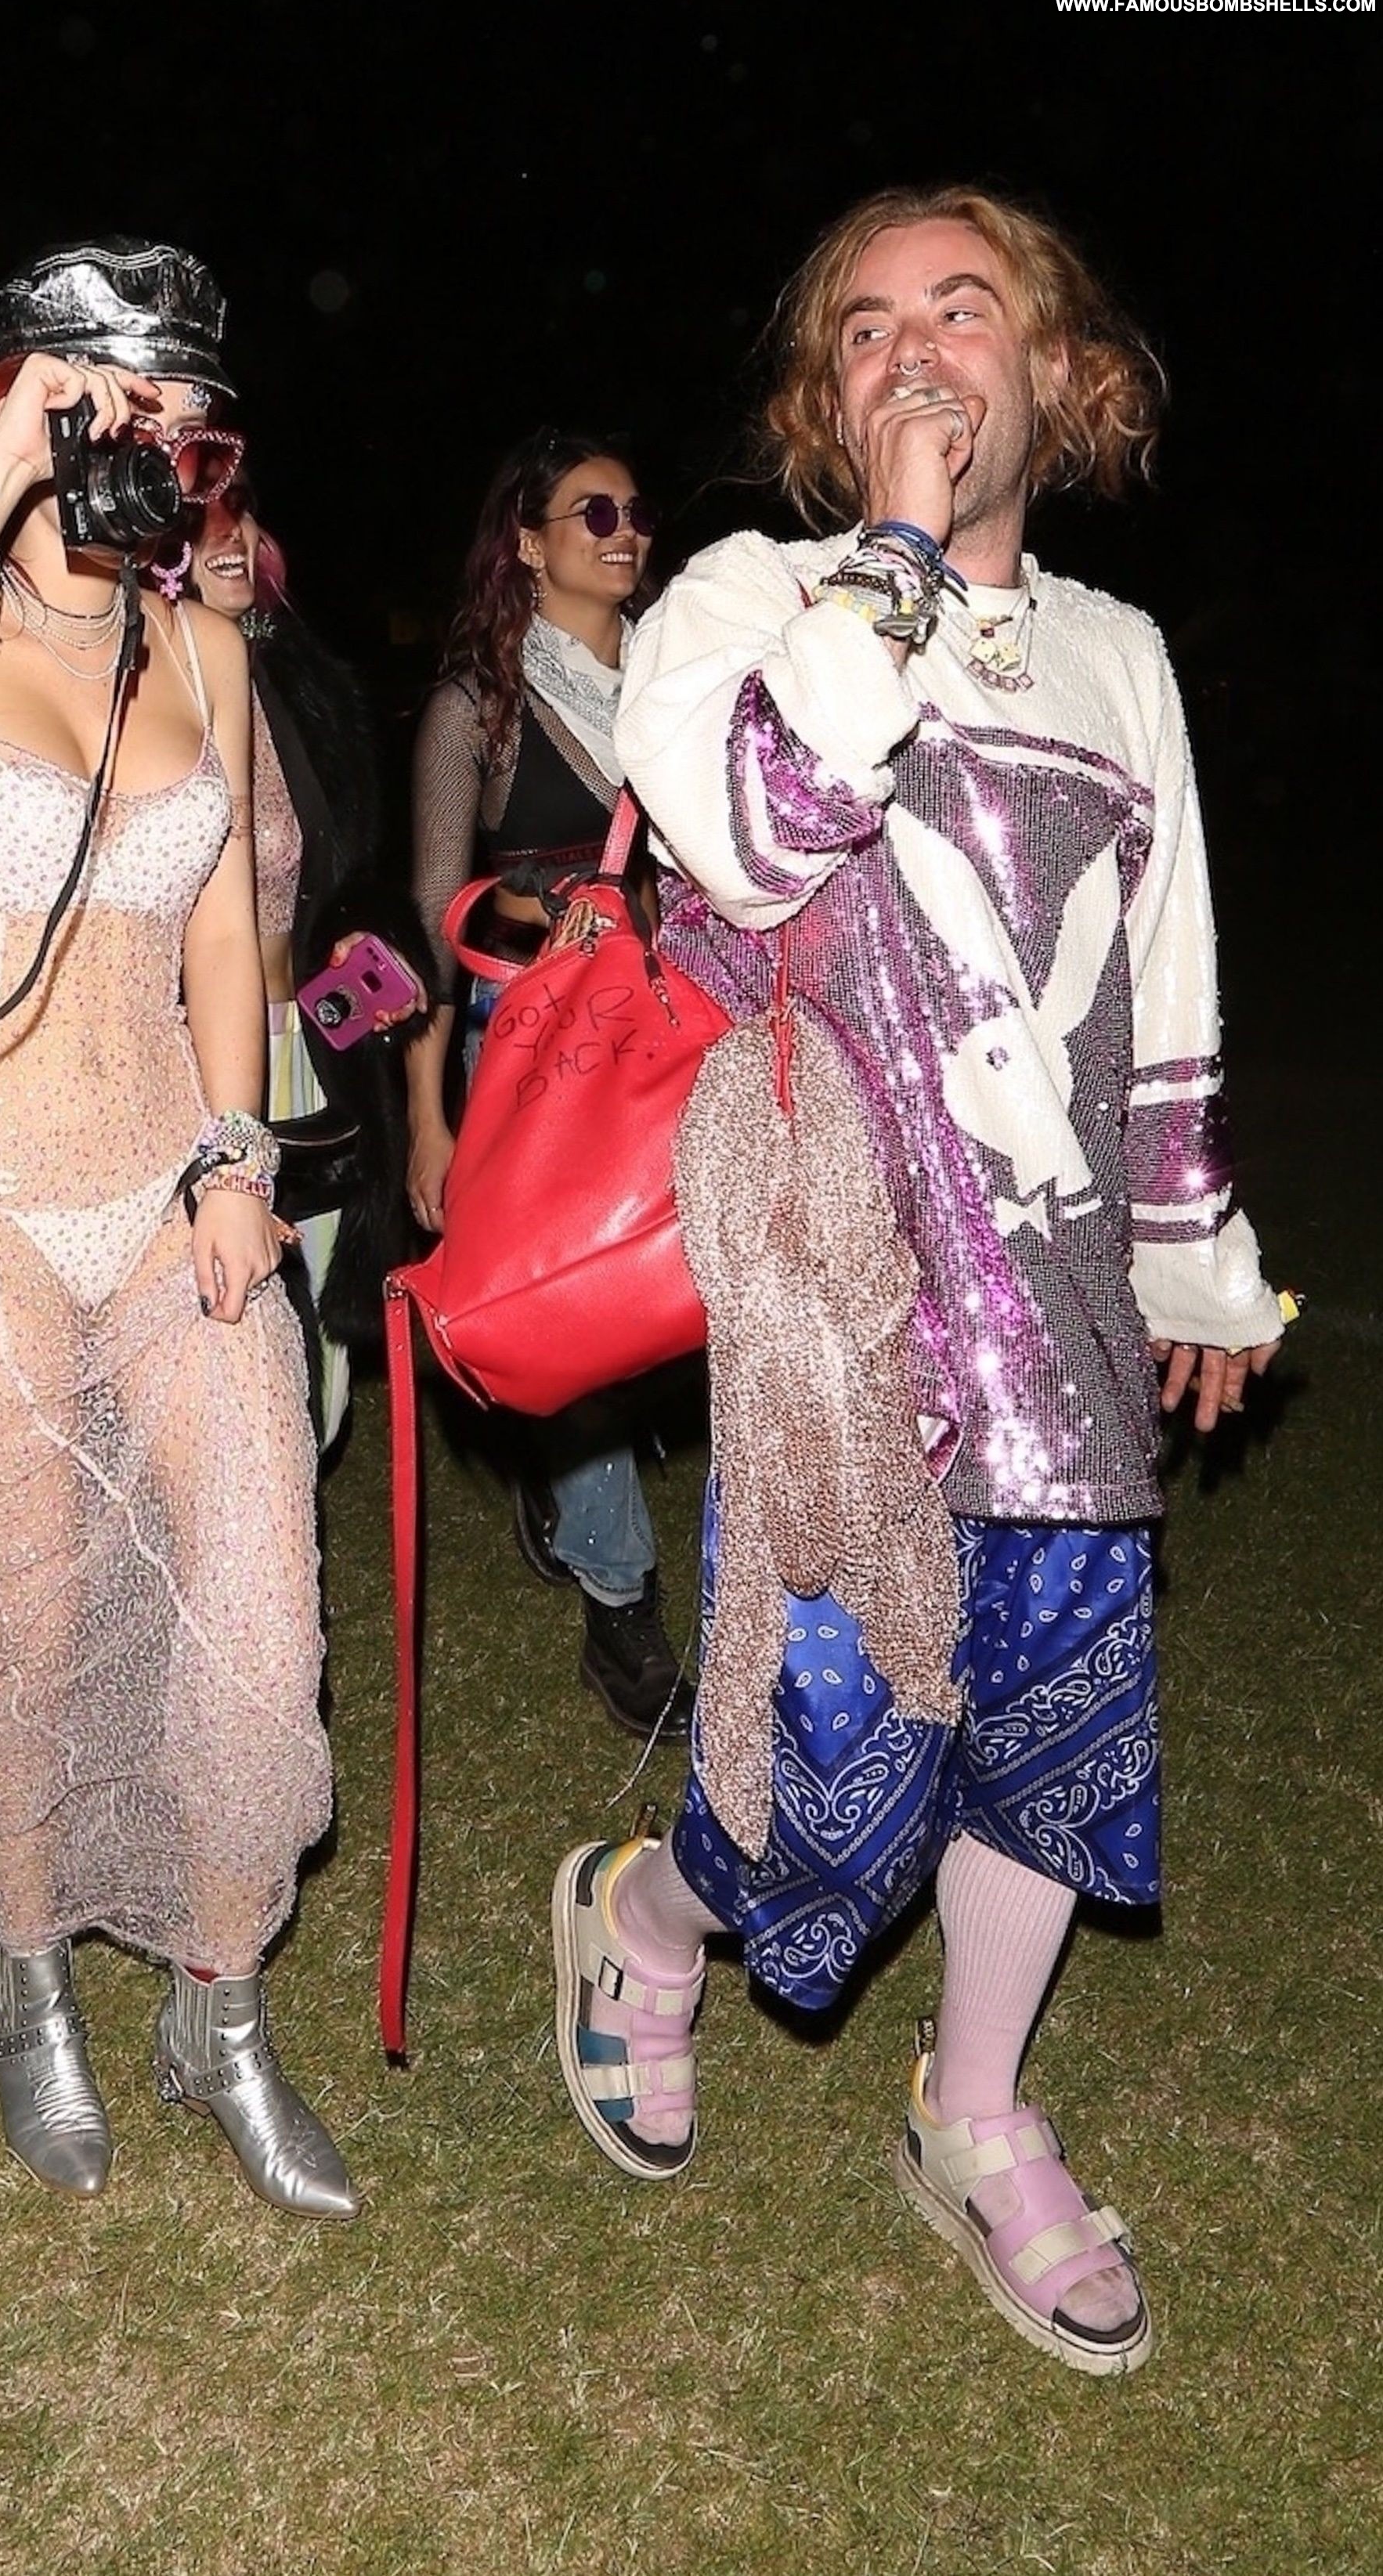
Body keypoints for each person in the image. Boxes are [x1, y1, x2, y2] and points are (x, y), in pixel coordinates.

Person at [551, 186, 1287, 2374]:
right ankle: (642, 1914)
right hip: (836, 1288)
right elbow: (759, 828)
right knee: (830, 1773)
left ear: (1059, 376)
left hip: (1059, 1305)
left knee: (1055, 1740)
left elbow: (1165, 973)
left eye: (968, 310)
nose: (917, 351)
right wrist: (886, 551)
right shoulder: (745, 595)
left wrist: (1196, 1258)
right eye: (867, 328)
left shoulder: (1117, 655)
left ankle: (975, 2113)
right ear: (826, 397)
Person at [0, 236, 359, 2218]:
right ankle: (28, 1973)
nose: (167, 461)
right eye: (129, 417)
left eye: (196, 434)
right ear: (21, 408)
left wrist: (235, 1156)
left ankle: (220, 2005)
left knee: (261, 1616)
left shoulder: (200, 648)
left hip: (169, 1191)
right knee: (26, 1623)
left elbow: (227, 934)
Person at [406, 427, 692, 1741]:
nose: (626, 533)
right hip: (533, 1048)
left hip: (676, 1026)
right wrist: (429, 1114)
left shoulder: (686, 678)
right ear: (528, 542)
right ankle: (621, 1600)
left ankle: (560, 1478)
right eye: (595, 514)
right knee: (582, 1317)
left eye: (637, 511)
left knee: (690, 1295)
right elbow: (435, 913)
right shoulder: (481, 706)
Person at [154, 488, 432, 1453]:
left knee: (317, 1366)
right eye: (198, 517)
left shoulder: (299, 688)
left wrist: (367, 938)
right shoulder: (136, 691)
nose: (230, 534)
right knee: (214, 1346)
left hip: (309, 1054)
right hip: (184, 1061)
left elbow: (349, 874)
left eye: (241, 510)